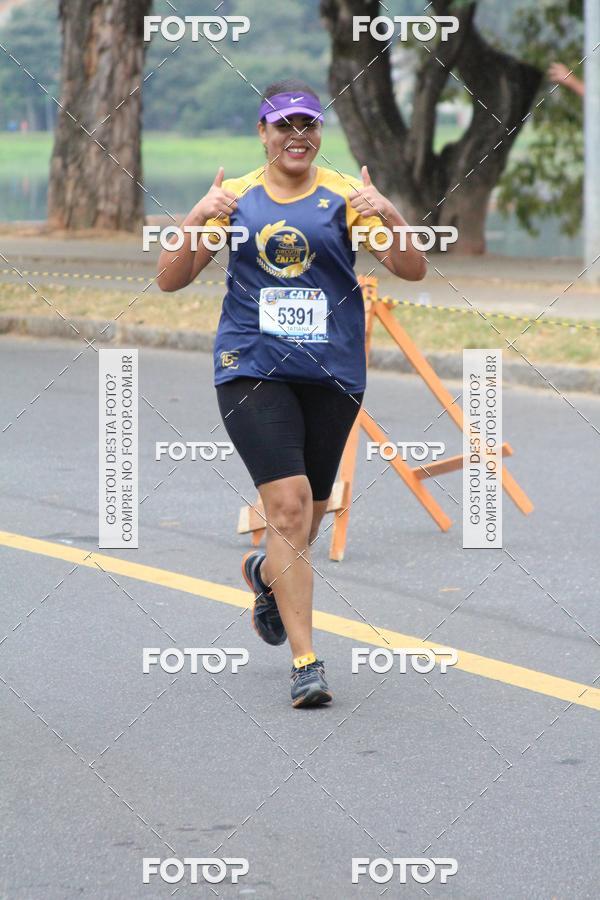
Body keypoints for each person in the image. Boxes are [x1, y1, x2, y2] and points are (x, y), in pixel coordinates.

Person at [157, 79, 426, 708]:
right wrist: (195, 218)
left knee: (307, 516)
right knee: (286, 508)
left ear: (320, 133)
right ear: (263, 132)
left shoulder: (345, 198)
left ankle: (265, 572)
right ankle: (307, 663)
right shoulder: (236, 199)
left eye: (309, 124)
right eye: (284, 125)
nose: (297, 136)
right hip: (251, 366)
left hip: (332, 371)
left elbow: (412, 268)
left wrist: (389, 215)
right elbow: (169, 279)